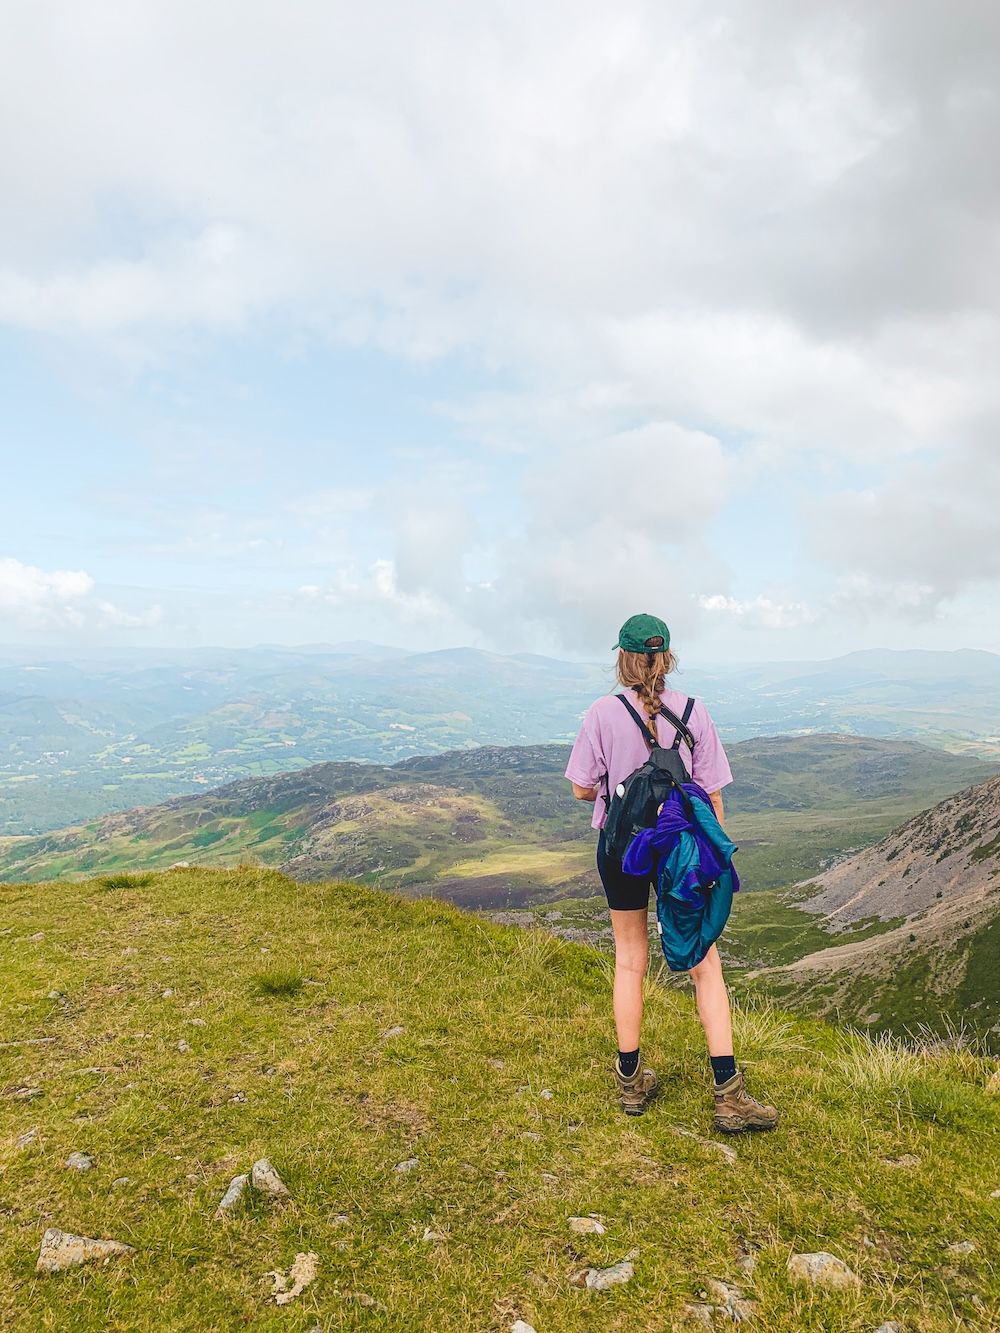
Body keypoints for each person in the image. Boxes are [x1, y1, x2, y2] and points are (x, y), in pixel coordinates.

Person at [565, 613, 778, 1133]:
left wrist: (620, 785)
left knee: (630, 961)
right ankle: (728, 1095)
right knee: (706, 965)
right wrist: (713, 860)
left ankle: (631, 1082)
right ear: (667, 658)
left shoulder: (602, 711)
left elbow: (580, 789)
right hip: (683, 854)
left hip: (621, 849)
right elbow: (713, 793)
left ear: (622, 658)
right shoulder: (694, 712)